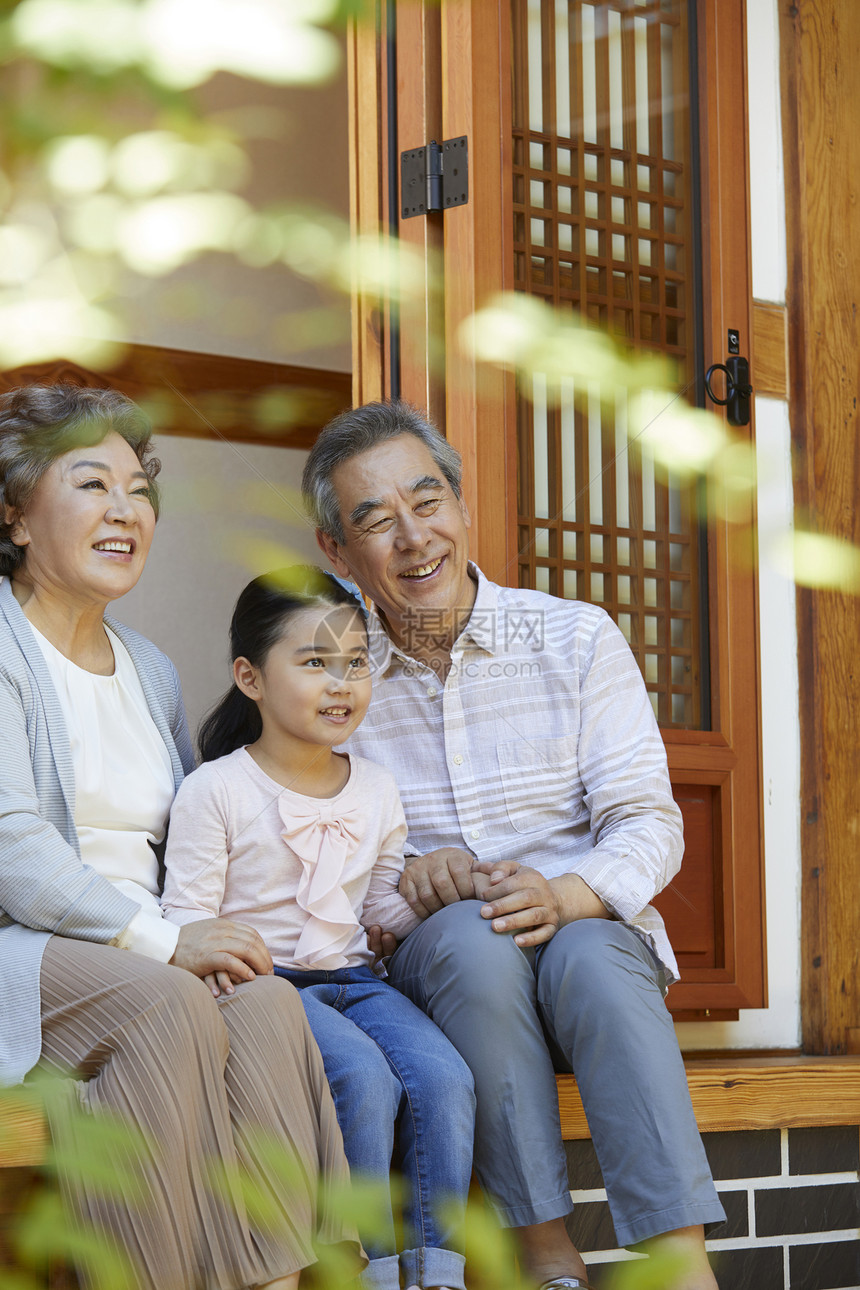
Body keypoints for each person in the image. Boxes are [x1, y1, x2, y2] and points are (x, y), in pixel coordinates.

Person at [301, 399, 726, 1290]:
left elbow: (650, 818)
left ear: (461, 507)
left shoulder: (574, 636)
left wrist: (569, 893)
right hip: (453, 972)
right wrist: (412, 877)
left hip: (589, 954)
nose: (413, 538)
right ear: (338, 554)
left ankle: (680, 1263)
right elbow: (323, 858)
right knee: (470, 936)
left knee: (592, 954)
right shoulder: (329, 681)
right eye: (375, 521)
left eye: (428, 503)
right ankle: (546, 1258)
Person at [0, 384, 361, 1290]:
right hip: (27, 950)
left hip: (140, 949)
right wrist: (165, 943)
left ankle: (276, 1282)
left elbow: (190, 833)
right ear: (14, 514)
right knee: (171, 1002)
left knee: (268, 1000)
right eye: (91, 484)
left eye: (139, 488)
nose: (127, 510)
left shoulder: (150, 666)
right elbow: (11, 845)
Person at [162, 567, 477, 1290]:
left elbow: (376, 910)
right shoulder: (217, 788)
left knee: (441, 1076)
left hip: (358, 981)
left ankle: (433, 1269)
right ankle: (355, 1263)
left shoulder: (375, 787)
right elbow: (186, 915)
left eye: (356, 664)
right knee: (363, 1078)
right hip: (265, 991)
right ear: (250, 677)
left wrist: (446, 894)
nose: (342, 684)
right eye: (314, 663)